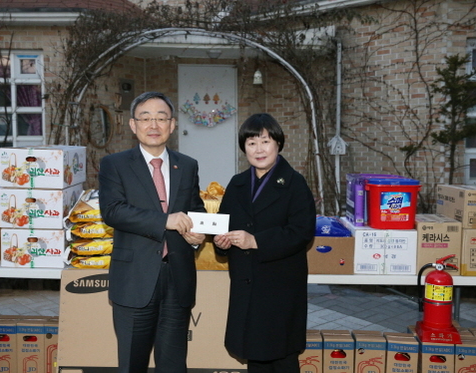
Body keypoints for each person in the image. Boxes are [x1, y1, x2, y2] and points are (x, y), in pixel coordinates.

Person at [98, 91, 206, 373]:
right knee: (132, 364)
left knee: (173, 365)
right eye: (146, 118)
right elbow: (113, 211)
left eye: (161, 118)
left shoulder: (188, 165)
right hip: (134, 280)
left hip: (178, 278)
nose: (154, 125)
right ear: (133, 125)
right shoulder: (115, 164)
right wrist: (164, 221)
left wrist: (198, 235)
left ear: (172, 125)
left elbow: (196, 209)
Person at [214, 113, 316, 373]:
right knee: (255, 356)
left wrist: (256, 241)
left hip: (279, 287)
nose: (258, 149)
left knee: (282, 357)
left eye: (265, 141)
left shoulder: (294, 183)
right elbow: (222, 227)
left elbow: (302, 232)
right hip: (246, 284)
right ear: (243, 148)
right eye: (251, 143)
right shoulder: (237, 184)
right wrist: (221, 243)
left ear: (278, 144)